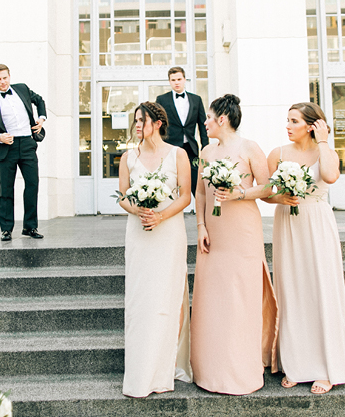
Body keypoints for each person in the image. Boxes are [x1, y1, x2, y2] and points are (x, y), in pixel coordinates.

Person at [190, 94, 278, 395]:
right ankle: (211, 369)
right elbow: (201, 193)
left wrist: (240, 194)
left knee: (241, 296)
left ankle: (241, 369)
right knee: (213, 298)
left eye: (209, 118)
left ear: (222, 120)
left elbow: (267, 188)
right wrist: (201, 226)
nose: (205, 123)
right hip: (215, 231)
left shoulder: (249, 148)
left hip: (242, 230)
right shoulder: (206, 151)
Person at [265, 102, 345, 394]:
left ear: (311, 125)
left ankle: (327, 367)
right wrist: (280, 200)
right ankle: (295, 363)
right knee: (292, 289)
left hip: (316, 222)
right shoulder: (277, 153)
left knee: (321, 290)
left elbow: (329, 176)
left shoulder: (325, 151)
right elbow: (268, 192)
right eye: (287, 120)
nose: (288, 126)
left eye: (294, 121)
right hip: (288, 224)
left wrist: (325, 140)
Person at [117, 102, 193, 397]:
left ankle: (166, 368)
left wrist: (161, 215)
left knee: (166, 295)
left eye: (142, 120)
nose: (137, 126)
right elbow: (122, 197)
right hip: (139, 233)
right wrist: (138, 211)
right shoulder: (128, 157)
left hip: (168, 232)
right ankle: (141, 370)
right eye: (135, 121)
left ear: (158, 123)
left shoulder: (179, 155)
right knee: (141, 299)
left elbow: (185, 196)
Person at [0, 64, 47, 241]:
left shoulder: (22, 89)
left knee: (32, 185)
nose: (2, 82)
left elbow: (40, 100)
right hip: (6, 148)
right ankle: (6, 229)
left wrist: (41, 119)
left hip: (27, 143)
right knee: (6, 189)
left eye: (5, 78)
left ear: (9, 76)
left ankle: (30, 227)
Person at [156, 66, 208, 197]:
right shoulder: (162, 100)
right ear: (169, 81)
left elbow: (202, 126)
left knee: (197, 185)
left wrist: (206, 149)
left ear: (185, 79)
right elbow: (157, 125)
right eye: (173, 80)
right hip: (169, 148)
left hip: (191, 149)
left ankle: (203, 215)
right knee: (168, 184)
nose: (176, 82)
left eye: (179, 79)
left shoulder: (196, 99)